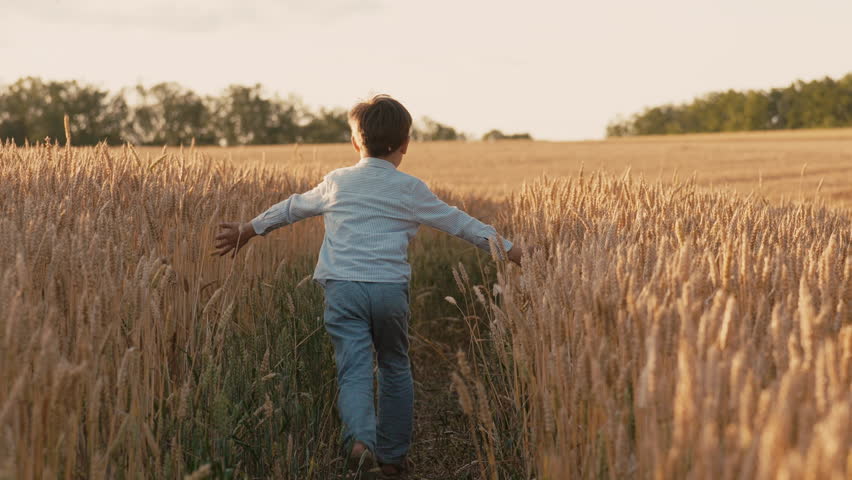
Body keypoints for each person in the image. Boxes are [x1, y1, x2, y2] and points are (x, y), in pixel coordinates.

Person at [213, 94, 521, 478]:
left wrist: (249, 229)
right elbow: (460, 223)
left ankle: (360, 441)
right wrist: (511, 250)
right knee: (394, 365)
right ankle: (393, 458)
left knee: (354, 369)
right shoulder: (410, 189)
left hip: (342, 289)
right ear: (405, 144)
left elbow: (292, 207)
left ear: (355, 142)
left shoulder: (337, 181)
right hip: (389, 290)